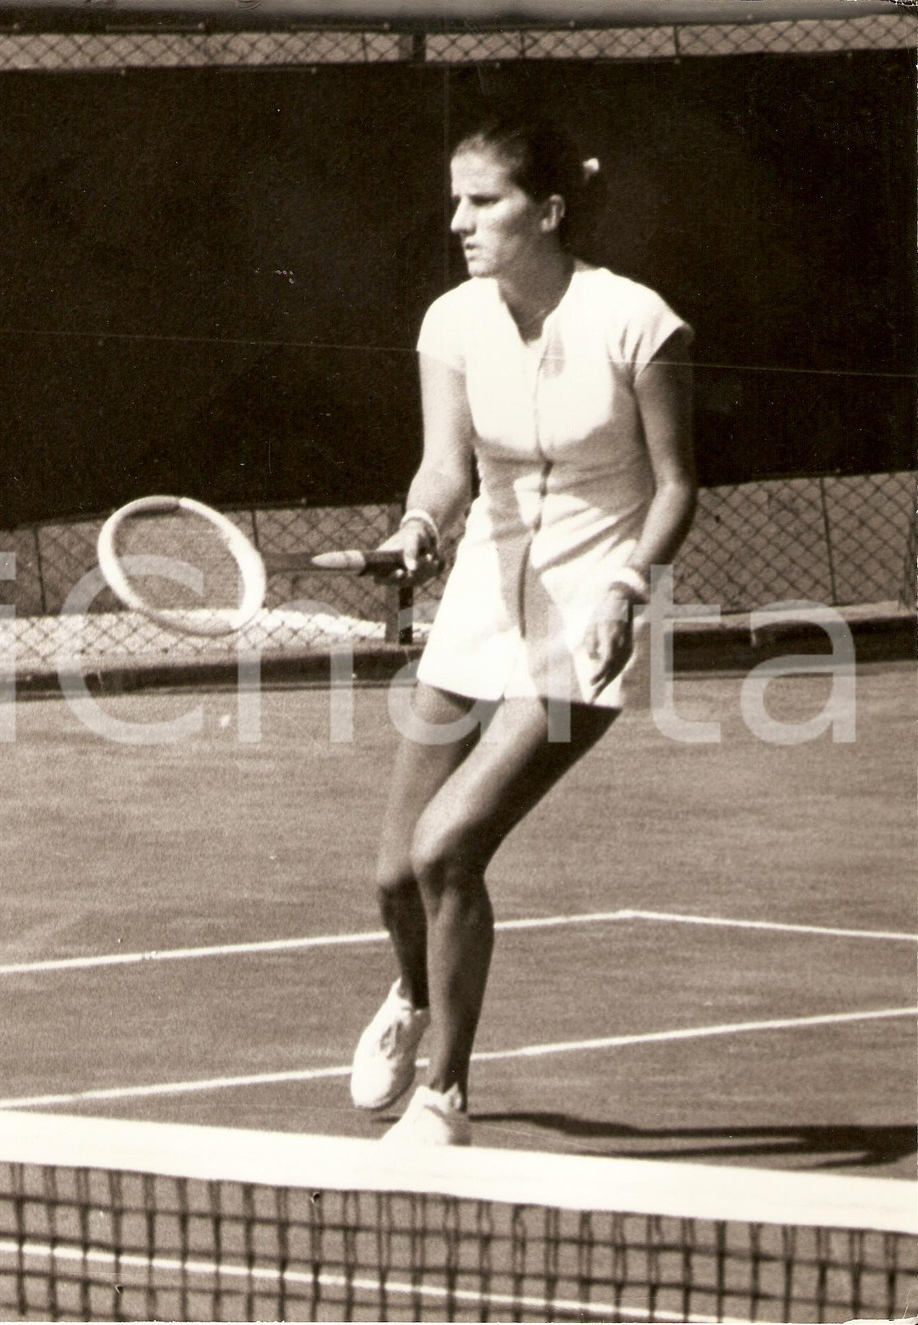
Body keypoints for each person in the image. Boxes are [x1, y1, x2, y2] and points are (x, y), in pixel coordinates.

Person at [350, 113, 697, 1145]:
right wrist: (417, 528)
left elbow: (678, 485)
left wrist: (631, 585)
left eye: (484, 200)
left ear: (546, 210)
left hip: (586, 616)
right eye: (455, 200)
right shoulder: (451, 321)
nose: (459, 220)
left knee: (447, 846)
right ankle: (413, 995)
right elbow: (445, 471)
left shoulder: (639, 322)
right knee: (390, 873)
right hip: (478, 605)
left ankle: (444, 1094)